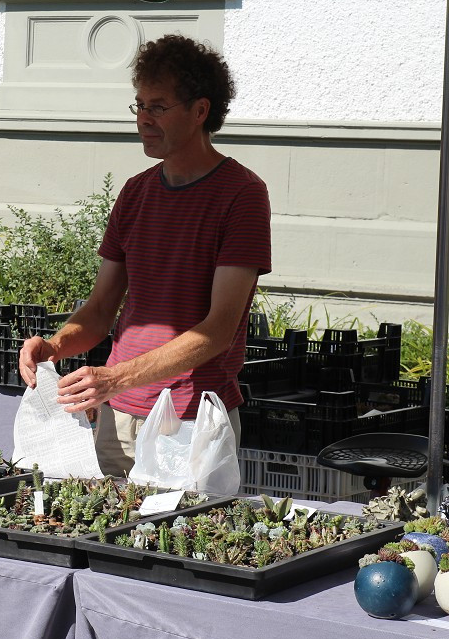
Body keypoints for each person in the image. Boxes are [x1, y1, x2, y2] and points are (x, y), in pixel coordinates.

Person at [18, 34, 272, 477]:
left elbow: (217, 331)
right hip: (117, 416)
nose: (142, 119)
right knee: (101, 536)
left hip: (191, 421)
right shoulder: (136, 193)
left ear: (199, 111)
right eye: (138, 105)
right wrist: (55, 346)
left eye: (157, 107)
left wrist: (115, 378)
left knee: (181, 542)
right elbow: (100, 309)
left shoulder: (242, 196)